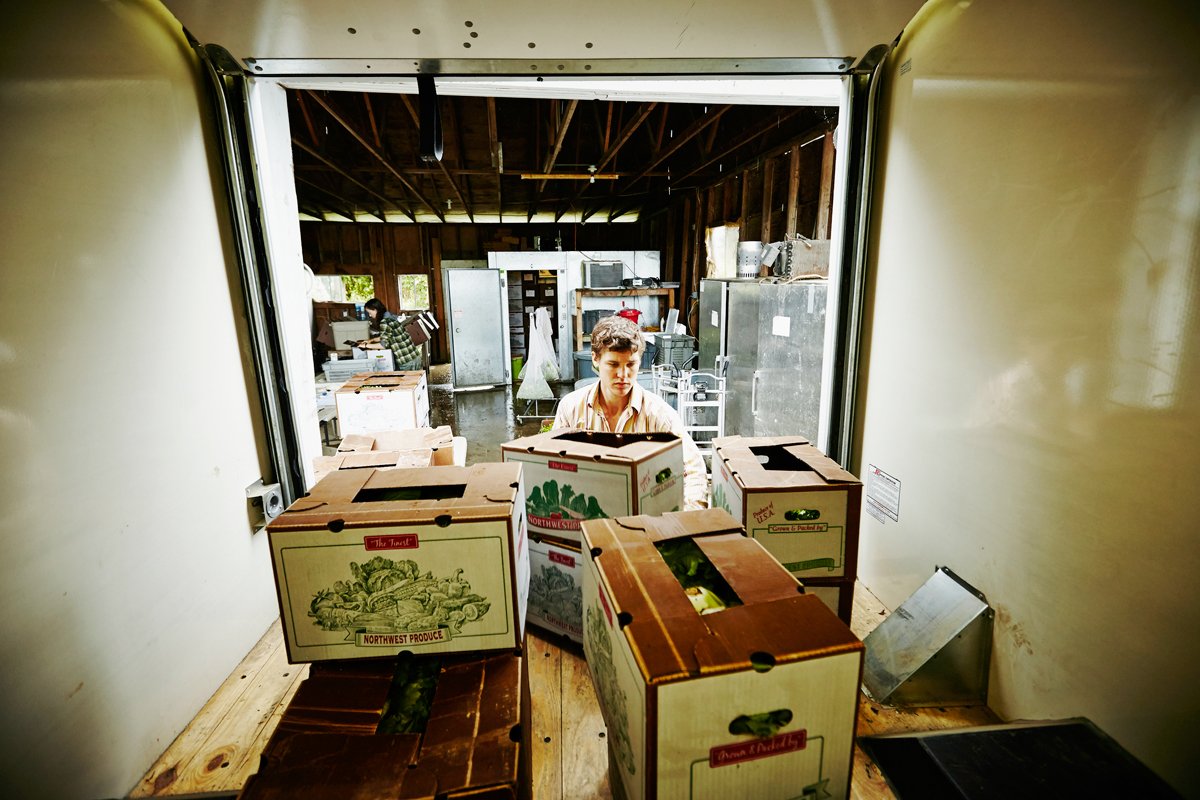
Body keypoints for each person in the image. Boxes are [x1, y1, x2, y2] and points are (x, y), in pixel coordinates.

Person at [553, 315, 708, 510]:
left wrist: (686, 515)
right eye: (613, 364)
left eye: (631, 365)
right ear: (595, 359)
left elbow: (693, 470)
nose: (623, 375)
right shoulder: (571, 408)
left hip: (643, 517)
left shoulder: (660, 415)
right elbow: (555, 465)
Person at [361, 298, 422, 371]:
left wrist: (365, 346)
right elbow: (389, 335)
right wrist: (372, 340)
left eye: (370, 313)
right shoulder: (390, 317)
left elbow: (383, 345)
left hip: (406, 360)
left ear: (375, 309)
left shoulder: (385, 322)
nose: (370, 315)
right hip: (414, 356)